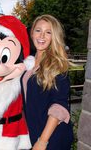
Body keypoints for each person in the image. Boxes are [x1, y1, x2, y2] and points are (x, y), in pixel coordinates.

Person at [21, 14, 73, 150]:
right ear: (32, 33)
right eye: (38, 30)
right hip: (32, 131)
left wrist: (42, 142)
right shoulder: (28, 61)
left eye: (48, 32)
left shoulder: (56, 65)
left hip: (51, 137)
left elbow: (59, 107)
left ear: (54, 37)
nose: (42, 36)